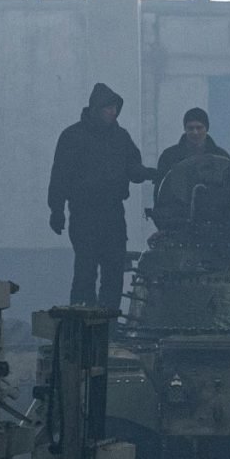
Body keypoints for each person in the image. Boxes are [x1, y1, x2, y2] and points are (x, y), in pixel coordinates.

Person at [48, 82, 155, 310]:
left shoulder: (120, 138)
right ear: (96, 108)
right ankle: (81, 326)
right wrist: (56, 210)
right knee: (86, 272)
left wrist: (149, 174)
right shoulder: (72, 137)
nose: (113, 112)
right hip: (84, 213)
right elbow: (60, 176)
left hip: (113, 213)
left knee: (113, 271)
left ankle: (109, 328)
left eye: (115, 108)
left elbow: (133, 168)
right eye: (109, 107)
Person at [155, 107, 230, 196]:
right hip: (177, 209)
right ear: (185, 129)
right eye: (190, 128)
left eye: (199, 127)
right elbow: (160, 192)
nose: (195, 132)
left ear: (206, 128)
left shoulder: (221, 156)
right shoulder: (169, 156)